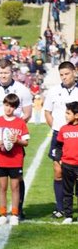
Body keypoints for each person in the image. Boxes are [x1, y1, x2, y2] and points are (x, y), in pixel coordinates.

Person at [0, 59, 33, 221]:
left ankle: (19, 210)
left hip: (13, 138)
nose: (3, 75)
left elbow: (27, 113)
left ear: (12, 72)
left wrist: (12, 131)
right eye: (1, 72)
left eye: (6, 72)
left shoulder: (22, 90)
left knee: (17, 176)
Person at [0, 94, 30, 226]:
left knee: (15, 187)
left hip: (15, 160)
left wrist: (17, 141)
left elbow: (26, 142)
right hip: (1, 159)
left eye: (12, 106)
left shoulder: (20, 123)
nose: (8, 109)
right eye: (6, 105)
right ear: (3, 105)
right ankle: (3, 214)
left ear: (16, 108)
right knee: (2, 187)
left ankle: (15, 214)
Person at [44, 61, 78, 218]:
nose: (64, 77)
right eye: (62, 75)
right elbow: (47, 113)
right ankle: (61, 208)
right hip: (60, 136)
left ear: (74, 72)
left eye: (67, 74)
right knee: (58, 172)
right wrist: (59, 130)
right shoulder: (53, 91)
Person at [55, 101, 78, 224]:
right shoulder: (63, 129)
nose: (65, 115)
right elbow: (59, 146)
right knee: (67, 191)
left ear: (76, 115)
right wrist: (59, 158)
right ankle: (68, 215)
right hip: (67, 165)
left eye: (68, 113)